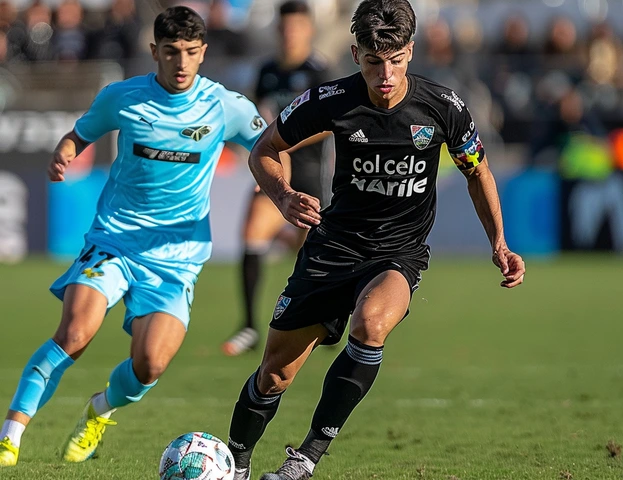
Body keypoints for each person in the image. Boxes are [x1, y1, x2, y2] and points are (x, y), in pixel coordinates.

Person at [226, 0, 526, 478]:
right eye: (372, 61)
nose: (385, 74)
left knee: (371, 325)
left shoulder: (443, 107)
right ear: (354, 54)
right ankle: (235, 465)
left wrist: (499, 243)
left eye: (396, 59)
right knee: (275, 375)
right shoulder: (330, 100)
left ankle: (305, 459)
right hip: (332, 248)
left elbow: (478, 171)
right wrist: (283, 196)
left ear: (410, 51)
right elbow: (265, 148)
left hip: (396, 253)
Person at [0, 6, 266, 467]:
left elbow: (267, 145)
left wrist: (274, 180)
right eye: (170, 52)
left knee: (150, 365)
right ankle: (10, 435)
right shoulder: (122, 97)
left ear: (203, 53)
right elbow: (79, 135)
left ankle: (99, 410)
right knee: (75, 332)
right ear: (154, 52)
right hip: (115, 240)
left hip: (176, 257)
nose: (180, 63)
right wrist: (63, 154)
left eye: (189, 53)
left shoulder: (226, 107)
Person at [221, 0, 334, 357]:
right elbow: (256, 121)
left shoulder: (319, 72)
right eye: (284, 28)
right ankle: (250, 326)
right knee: (251, 232)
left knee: (310, 250)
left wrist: (287, 138)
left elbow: (332, 124)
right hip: (273, 176)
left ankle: (325, 320)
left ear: (309, 30)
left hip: (309, 177)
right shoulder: (267, 71)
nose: (290, 34)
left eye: (297, 27)